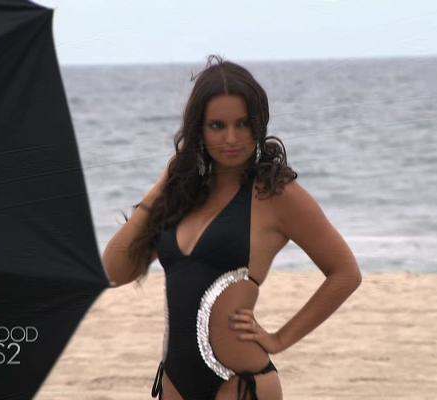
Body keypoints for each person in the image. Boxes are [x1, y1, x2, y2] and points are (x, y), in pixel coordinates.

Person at [102, 54, 362, 400]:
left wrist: (280, 339)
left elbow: (345, 273)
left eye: (243, 124)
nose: (231, 138)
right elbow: (113, 272)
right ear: (198, 129)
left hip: (240, 385)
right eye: (217, 126)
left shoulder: (275, 194)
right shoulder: (182, 195)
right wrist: (162, 185)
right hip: (174, 384)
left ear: (258, 124)